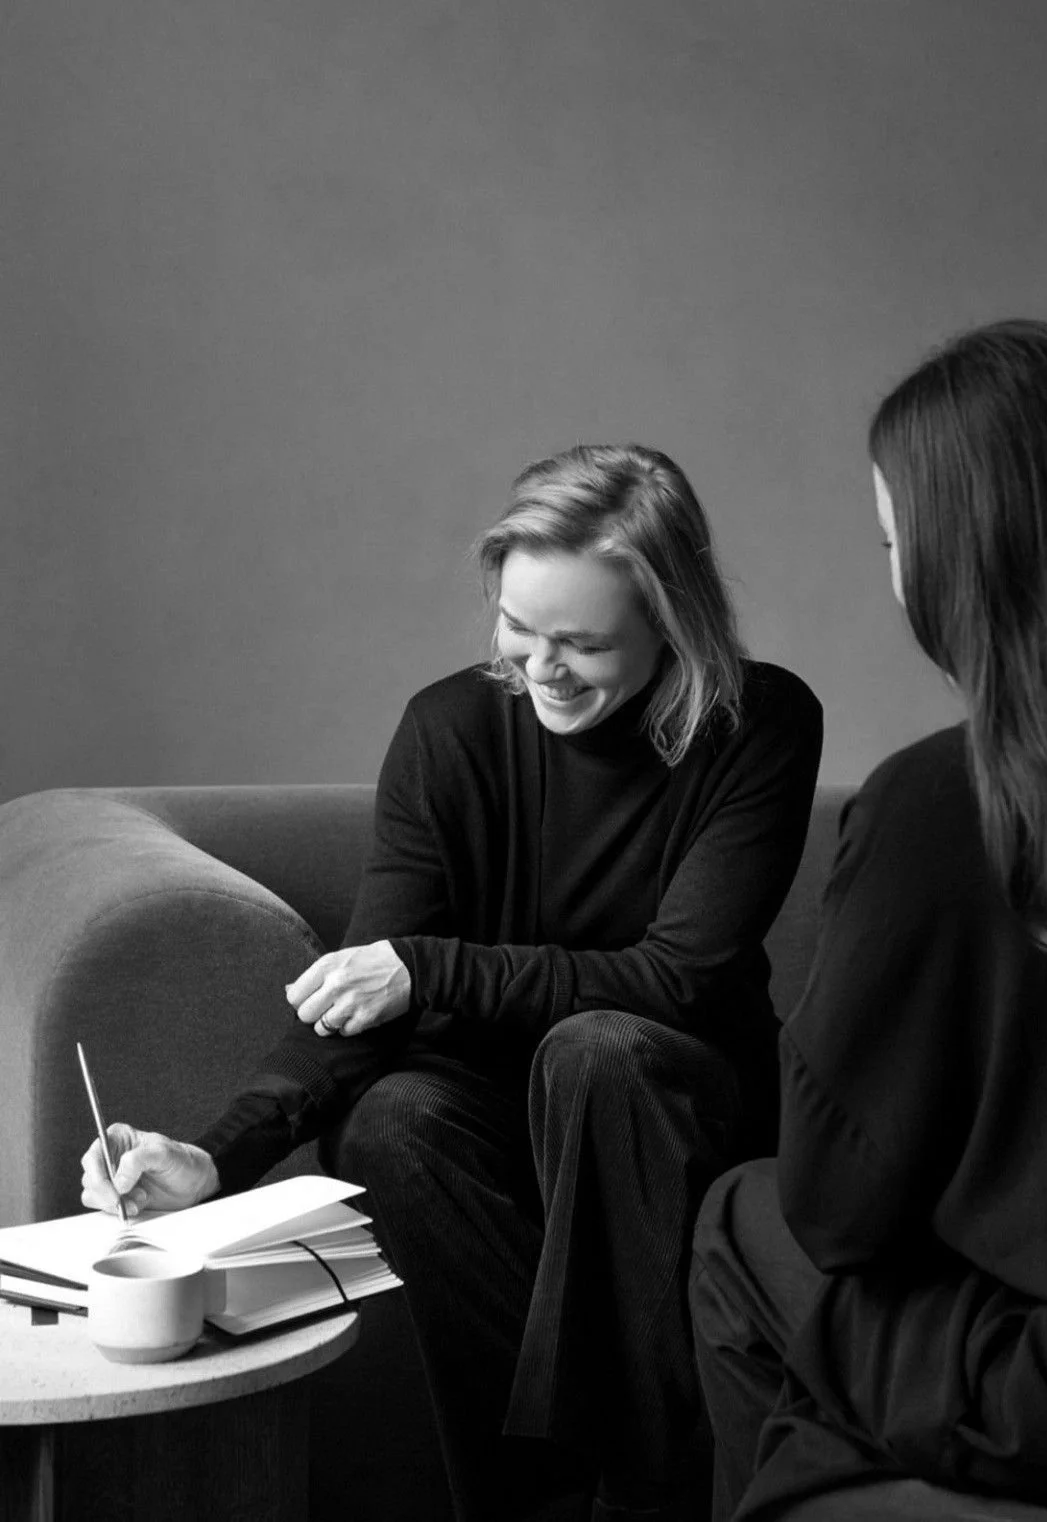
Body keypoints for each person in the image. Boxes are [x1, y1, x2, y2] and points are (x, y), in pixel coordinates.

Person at [82, 442, 823, 1522]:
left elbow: (678, 977)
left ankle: (642, 1500)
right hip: (489, 1131)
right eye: (520, 629)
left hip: (670, 1109)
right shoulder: (450, 727)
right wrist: (217, 1152)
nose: (542, 669)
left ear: (674, 627)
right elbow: (357, 995)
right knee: (391, 1116)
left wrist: (429, 968)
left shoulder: (758, 723)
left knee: (599, 1050)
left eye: (583, 642)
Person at [689, 319, 1047, 1521]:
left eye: (894, 538)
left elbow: (837, 1208)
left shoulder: (940, 799)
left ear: (955, 558)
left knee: (736, 1222)